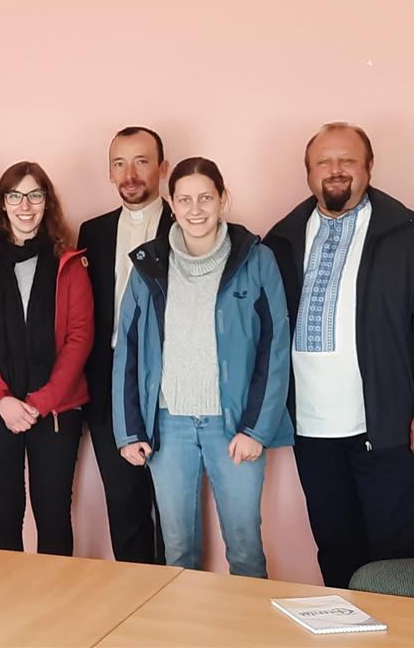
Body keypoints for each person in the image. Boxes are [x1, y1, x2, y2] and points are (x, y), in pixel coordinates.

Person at [262, 122, 414, 590]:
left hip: (388, 425)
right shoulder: (281, 239)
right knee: (335, 549)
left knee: (396, 556)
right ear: (308, 173)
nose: (336, 171)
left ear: (369, 167)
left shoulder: (407, 233)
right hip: (310, 429)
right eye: (323, 162)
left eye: (347, 160)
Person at [113, 157, 290, 578]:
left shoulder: (257, 259)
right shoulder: (148, 266)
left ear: (223, 200)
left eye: (206, 198)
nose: (196, 209)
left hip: (234, 426)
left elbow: (275, 347)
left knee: (246, 551)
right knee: (178, 554)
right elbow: (128, 351)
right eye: (185, 199)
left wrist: (256, 430)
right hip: (168, 426)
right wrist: (129, 431)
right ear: (171, 204)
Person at [0, 161, 94, 555]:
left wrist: (39, 403)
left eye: (35, 195)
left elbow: (80, 338)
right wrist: (2, 399)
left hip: (54, 411)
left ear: (47, 203)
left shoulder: (70, 262)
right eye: (15, 196)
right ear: (3, 204)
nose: (25, 205)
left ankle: (55, 608)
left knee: (52, 515)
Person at [76, 126, 172, 564]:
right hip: (108, 384)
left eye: (141, 161)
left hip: (171, 383)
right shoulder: (91, 232)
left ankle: (179, 611)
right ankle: (136, 608)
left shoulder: (187, 225)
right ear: (109, 171)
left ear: (162, 168)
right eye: (119, 163)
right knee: (124, 504)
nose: (130, 174)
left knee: (175, 508)